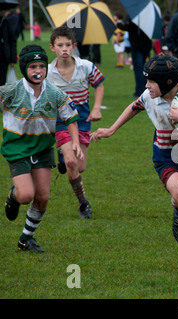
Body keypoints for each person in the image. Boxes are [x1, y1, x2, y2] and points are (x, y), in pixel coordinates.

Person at [90, 54, 178, 270]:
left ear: (168, 82)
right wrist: (112, 129)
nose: (147, 85)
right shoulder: (149, 96)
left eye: (151, 81)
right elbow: (135, 106)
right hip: (166, 158)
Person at [1, 44, 82, 252]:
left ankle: (26, 238)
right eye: (32, 67)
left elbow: (71, 117)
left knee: (43, 196)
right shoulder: (11, 91)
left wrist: (75, 142)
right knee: (26, 195)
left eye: (41, 66)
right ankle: (14, 195)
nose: (38, 71)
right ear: (24, 69)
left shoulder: (54, 93)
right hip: (17, 148)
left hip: (43, 148)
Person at [47, 26, 105, 219]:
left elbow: (99, 85)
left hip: (82, 120)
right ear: (52, 47)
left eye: (67, 45)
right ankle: (83, 203)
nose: (64, 49)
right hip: (61, 121)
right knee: (72, 161)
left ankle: (63, 158)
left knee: (79, 167)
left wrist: (96, 107)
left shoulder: (86, 67)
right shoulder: (48, 72)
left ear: (74, 46)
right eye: (59, 45)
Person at [116, 16, 152, 97]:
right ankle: (145, 89)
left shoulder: (135, 17)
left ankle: (139, 91)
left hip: (137, 46)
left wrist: (118, 23)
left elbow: (128, 27)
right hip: (146, 46)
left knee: (138, 70)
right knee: (143, 69)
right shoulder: (147, 17)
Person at [0, 9, 17, 86]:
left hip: (3, 56)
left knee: (2, 81)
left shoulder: (5, 22)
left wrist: (12, 58)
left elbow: (12, 40)